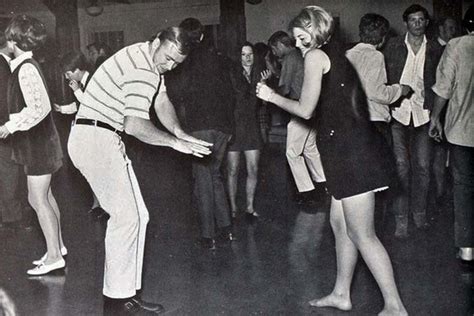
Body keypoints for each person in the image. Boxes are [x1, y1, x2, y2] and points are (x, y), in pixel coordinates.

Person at [256, 6, 407, 315]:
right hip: (344, 152)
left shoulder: (316, 56)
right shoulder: (336, 54)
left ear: (315, 31)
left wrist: (270, 96)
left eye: (301, 38)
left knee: (363, 234)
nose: (298, 45)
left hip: (354, 156)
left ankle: (395, 306)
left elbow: (306, 109)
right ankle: (341, 293)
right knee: (340, 225)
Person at [68, 26, 211, 314]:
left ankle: (126, 297)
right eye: (167, 57)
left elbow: (161, 100)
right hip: (95, 138)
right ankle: (115, 304)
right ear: (157, 41)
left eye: (175, 64)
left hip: (102, 137)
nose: (168, 66)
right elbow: (134, 125)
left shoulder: (147, 60)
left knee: (138, 217)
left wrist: (180, 134)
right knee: (125, 218)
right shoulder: (142, 68)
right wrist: (174, 143)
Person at [0, 15, 66, 275]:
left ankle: (53, 257)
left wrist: (9, 126)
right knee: (46, 197)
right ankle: (57, 248)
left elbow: (39, 109)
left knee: (36, 199)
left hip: (38, 145)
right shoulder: (26, 64)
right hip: (40, 143)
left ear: (13, 40)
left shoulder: (25, 68)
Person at [165, 18, 235, 250]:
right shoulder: (220, 58)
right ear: (203, 36)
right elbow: (232, 93)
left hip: (199, 125)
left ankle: (208, 235)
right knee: (214, 176)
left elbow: (175, 95)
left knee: (202, 178)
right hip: (223, 126)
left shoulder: (184, 62)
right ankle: (226, 229)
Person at [383, 4, 443, 238]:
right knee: (401, 167)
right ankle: (401, 220)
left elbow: (443, 84)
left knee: (423, 167)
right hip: (398, 113)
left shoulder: (437, 49)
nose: (417, 23)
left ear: (427, 23)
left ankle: (419, 213)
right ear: (405, 23)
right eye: (412, 20)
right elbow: (384, 77)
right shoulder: (393, 47)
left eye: (421, 19)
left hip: (424, 114)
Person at [429, 5, 474, 267]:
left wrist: (435, 117)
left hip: (463, 132)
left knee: (465, 189)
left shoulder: (456, 46)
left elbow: (444, 88)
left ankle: (468, 247)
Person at [268, 30, 326, 205]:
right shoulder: (302, 55)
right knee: (310, 149)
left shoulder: (290, 58)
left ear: (279, 45)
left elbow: (284, 88)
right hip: (315, 109)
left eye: (274, 49)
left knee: (292, 153)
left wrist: (269, 95)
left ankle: (308, 194)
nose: (274, 54)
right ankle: (324, 187)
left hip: (300, 110)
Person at [53, 52, 103, 219]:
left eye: (68, 74)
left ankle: (100, 205)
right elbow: (79, 106)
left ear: (77, 70)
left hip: (98, 132)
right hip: (91, 131)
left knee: (96, 169)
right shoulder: (84, 81)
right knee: (92, 169)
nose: (67, 78)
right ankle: (97, 204)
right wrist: (62, 109)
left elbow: (90, 106)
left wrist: (76, 91)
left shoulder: (93, 80)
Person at [227, 42, 266, 219]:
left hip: (251, 127)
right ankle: (233, 208)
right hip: (234, 127)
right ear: (239, 57)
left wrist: (263, 83)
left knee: (253, 169)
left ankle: (249, 207)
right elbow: (244, 99)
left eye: (250, 54)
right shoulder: (232, 75)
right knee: (233, 170)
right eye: (243, 54)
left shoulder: (260, 74)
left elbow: (257, 103)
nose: (248, 58)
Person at [0, 26, 32, 232]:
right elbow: (6, 99)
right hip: (4, 126)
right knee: (9, 171)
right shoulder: (2, 65)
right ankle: (12, 218)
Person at [431, 16, 458, 214]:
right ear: (440, 28)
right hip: (437, 109)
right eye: (448, 28)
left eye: (454, 28)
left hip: (456, 112)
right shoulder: (433, 49)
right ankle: (440, 197)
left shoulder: (460, 48)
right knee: (438, 158)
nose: (452, 31)